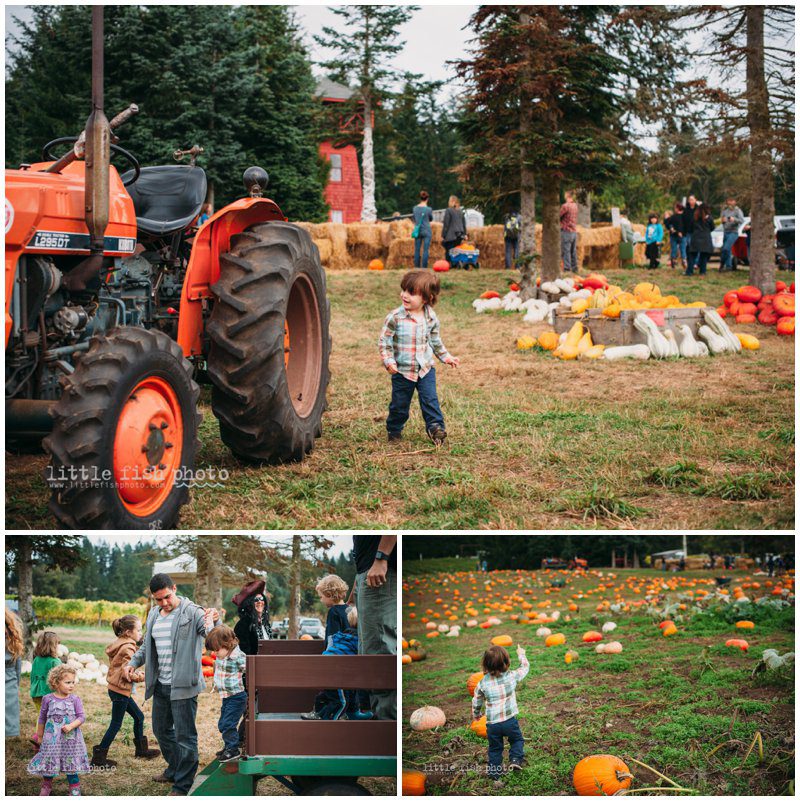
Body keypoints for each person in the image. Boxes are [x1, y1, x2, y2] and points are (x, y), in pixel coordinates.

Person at [122, 573, 220, 797]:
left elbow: (211, 636)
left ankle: (183, 784)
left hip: (184, 686)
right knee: (161, 730)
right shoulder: (155, 615)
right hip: (161, 684)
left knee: (185, 737)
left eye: (166, 597)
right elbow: (147, 646)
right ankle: (176, 768)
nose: (164, 603)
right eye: (158, 599)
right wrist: (133, 663)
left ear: (174, 589)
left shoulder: (192, 612)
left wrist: (214, 619)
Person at [378, 270, 460, 445]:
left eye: (411, 292)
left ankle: (436, 428)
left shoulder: (430, 317)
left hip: (425, 369)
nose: (404, 295)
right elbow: (384, 342)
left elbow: (435, 340)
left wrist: (445, 357)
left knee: (430, 400)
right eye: (404, 290)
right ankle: (394, 429)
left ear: (426, 298)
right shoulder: (395, 317)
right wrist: (389, 361)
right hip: (402, 371)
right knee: (400, 406)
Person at [92, 615, 159, 769]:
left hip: (117, 689)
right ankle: (99, 757)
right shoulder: (129, 647)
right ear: (129, 632)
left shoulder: (120, 643)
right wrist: (140, 677)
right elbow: (126, 672)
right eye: (139, 630)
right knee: (116, 724)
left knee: (139, 717)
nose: (141, 633)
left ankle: (141, 750)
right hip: (120, 690)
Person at [352, 535, 397, 720]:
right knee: (367, 650)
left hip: (379, 569)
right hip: (367, 570)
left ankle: (387, 726)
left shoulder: (380, 560)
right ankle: (379, 719)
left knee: (378, 651)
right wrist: (358, 578)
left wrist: (381, 557)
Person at [27, 664, 91, 797]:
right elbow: (42, 718)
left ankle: (74, 788)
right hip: (52, 740)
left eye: (73, 682)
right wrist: (39, 736)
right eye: (68, 682)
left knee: (70, 762)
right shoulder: (47, 699)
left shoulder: (74, 699)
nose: (72, 685)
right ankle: (46, 786)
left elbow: (82, 716)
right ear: (56, 683)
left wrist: (71, 725)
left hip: (71, 739)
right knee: (50, 761)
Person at [472, 644, 529, 786]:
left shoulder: (482, 683)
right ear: (506, 662)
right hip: (510, 721)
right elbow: (525, 668)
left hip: (492, 725)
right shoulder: (512, 676)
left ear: (485, 665)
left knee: (495, 748)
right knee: (516, 740)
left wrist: (476, 714)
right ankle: (515, 760)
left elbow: (477, 700)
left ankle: (494, 773)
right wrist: (521, 654)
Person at [303, 606, 372, 721]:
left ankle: (353, 712)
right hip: (334, 671)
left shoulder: (345, 635)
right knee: (340, 701)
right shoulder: (358, 640)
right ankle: (329, 721)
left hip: (333, 668)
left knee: (351, 690)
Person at [300, 574, 351, 721]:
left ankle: (325, 715)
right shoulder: (348, 609)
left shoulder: (334, 612)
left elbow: (332, 637)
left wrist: (327, 654)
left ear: (330, 595)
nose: (321, 600)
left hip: (334, 657)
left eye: (322, 596)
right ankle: (338, 713)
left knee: (330, 690)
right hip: (347, 656)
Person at [205, 626, 247, 763]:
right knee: (222, 724)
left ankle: (232, 749)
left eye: (217, 650)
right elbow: (214, 633)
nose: (215, 653)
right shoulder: (223, 653)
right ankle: (228, 746)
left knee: (228, 723)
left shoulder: (237, 656)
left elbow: (251, 668)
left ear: (227, 644)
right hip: (226, 697)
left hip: (237, 697)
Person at [30, 632, 62, 750]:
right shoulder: (55, 662)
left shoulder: (37, 660)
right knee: (50, 718)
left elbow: (32, 677)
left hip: (36, 693)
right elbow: (59, 681)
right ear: (54, 646)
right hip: (49, 695)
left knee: (41, 716)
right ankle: (42, 740)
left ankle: (38, 737)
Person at [232, 581, 271, 657]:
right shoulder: (243, 625)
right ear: (249, 604)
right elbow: (244, 652)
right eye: (256, 600)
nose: (260, 602)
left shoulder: (265, 623)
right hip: (253, 665)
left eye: (262, 599)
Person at [6, 609, 24, 739]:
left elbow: (17, 665)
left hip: (9, 678)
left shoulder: (12, 642)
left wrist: (16, 685)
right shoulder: (10, 640)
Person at [685, 204, 713, 276]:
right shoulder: (709, 218)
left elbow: (690, 228)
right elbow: (712, 228)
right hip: (705, 238)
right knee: (704, 255)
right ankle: (703, 271)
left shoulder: (695, 217)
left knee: (692, 256)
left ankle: (689, 271)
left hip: (695, 237)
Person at [719, 196, 744, 271]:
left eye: (731, 200)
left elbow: (741, 220)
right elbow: (722, 221)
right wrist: (723, 221)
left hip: (733, 232)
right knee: (726, 250)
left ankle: (722, 264)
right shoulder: (725, 211)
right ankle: (728, 266)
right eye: (728, 201)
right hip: (725, 232)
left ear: (734, 202)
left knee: (726, 248)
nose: (730, 202)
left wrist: (734, 219)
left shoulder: (737, 210)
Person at [442, 196, 467, 268]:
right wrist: (464, 234)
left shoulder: (448, 210)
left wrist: (443, 235)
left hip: (450, 235)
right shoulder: (460, 211)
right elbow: (464, 224)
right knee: (456, 251)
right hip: (459, 235)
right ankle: (456, 264)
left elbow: (446, 224)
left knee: (448, 251)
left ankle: (448, 265)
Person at [412, 191, 434, 269]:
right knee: (425, 250)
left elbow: (414, 219)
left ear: (420, 198)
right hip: (426, 231)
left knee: (417, 250)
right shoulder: (429, 209)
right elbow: (431, 219)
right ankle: (424, 267)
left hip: (418, 231)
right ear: (427, 199)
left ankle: (416, 267)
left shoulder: (415, 208)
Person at [560, 191, 579, 272]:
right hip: (574, 231)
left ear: (567, 195)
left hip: (567, 230)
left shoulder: (565, 206)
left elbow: (558, 215)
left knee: (566, 250)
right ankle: (575, 267)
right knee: (573, 251)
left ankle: (567, 268)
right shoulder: (575, 205)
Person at [681, 195, 699, 272]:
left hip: (696, 232)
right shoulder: (686, 210)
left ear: (695, 200)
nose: (691, 201)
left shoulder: (698, 210)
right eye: (690, 200)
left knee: (696, 247)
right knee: (688, 247)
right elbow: (683, 221)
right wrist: (682, 231)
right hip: (688, 232)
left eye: (692, 199)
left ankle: (696, 263)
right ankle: (689, 263)